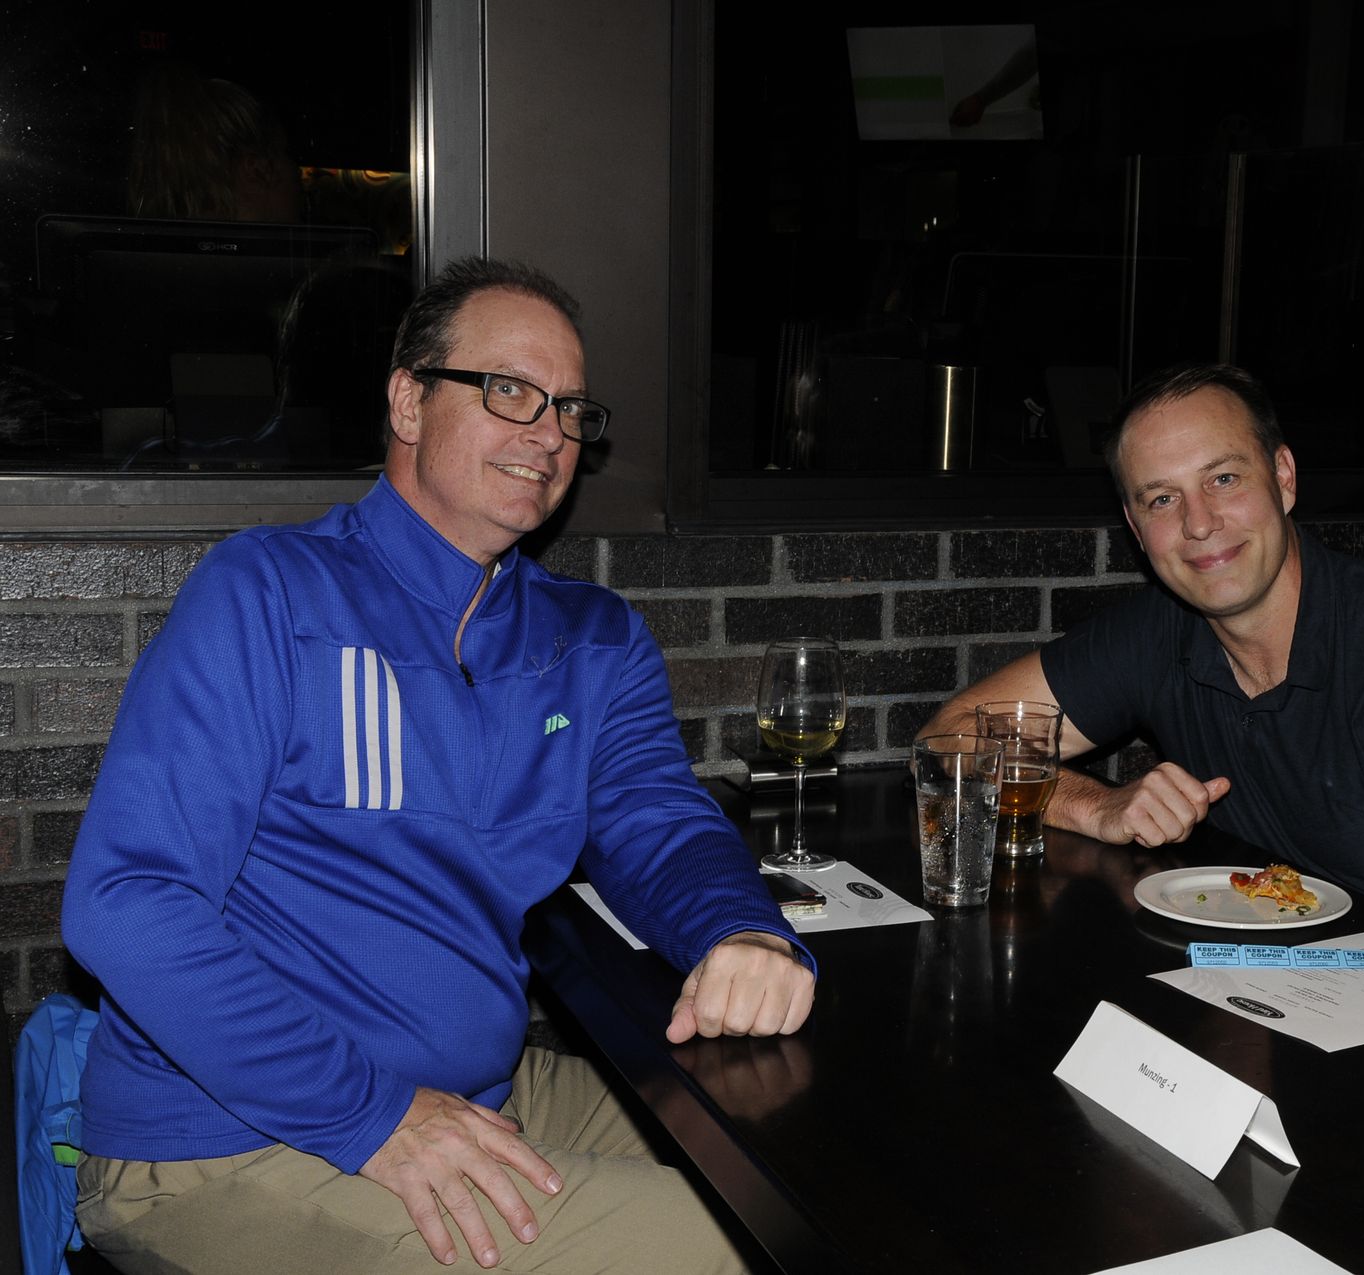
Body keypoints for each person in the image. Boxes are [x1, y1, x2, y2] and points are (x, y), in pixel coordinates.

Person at [61, 257, 817, 1273]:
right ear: (409, 400)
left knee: (802, 1166)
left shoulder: (590, 637)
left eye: (571, 410)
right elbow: (127, 902)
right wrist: (373, 1112)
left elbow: (658, 822)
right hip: (223, 1138)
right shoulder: (270, 594)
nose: (548, 433)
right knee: (735, 1252)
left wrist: (742, 931)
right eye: (508, 390)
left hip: (476, 1087)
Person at [918, 363, 1364, 937]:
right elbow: (949, 738)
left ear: (1283, 477)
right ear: (1136, 530)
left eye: (1224, 479)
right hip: (1250, 967)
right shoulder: (1159, 630)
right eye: (1163, 499)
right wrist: (1096, 806)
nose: (1200, 523)